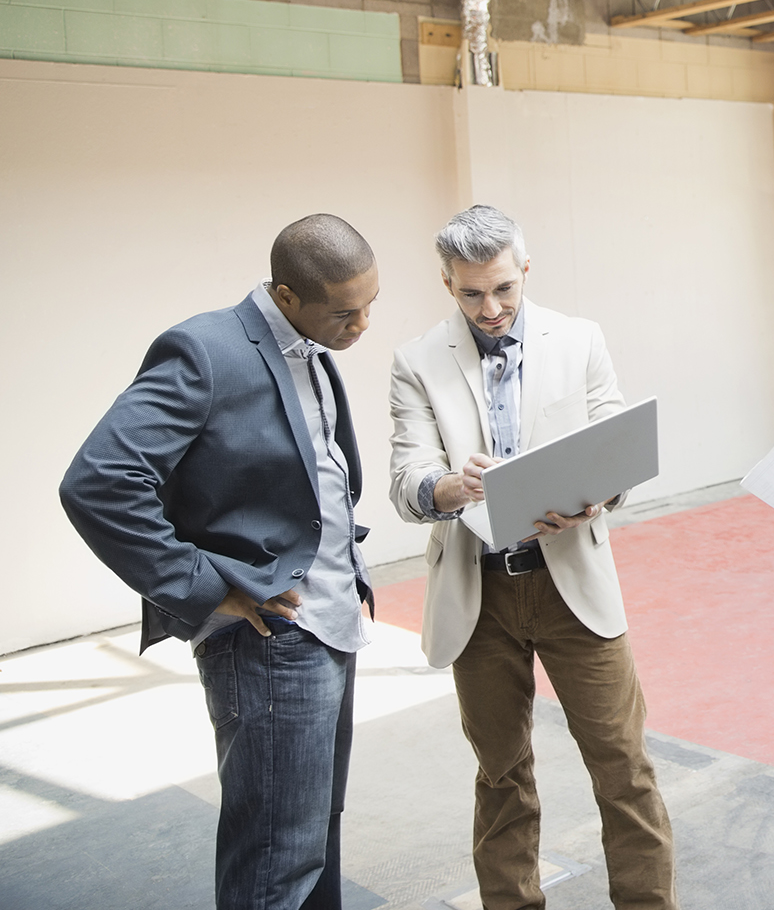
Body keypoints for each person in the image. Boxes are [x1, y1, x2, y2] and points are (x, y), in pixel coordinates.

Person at [58, 215, 381, 910]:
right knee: (275, 860)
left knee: (314, 840)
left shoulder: (310, 346)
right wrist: (206, 587)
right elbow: (99, 481)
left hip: (327, 625)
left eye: (370, 306)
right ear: (287, 296)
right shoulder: (207, 351)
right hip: (269, 642)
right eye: (346, 312)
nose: (362, 326)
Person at [388, 205, 675, 910]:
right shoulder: (416, 360)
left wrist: (597, 497)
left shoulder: (578, 340)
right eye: (470, 293)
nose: (490, 308)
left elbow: (616, 442)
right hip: (478, 595)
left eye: (503, 289)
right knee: (501, 774)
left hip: (569, 579)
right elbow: (406, 482)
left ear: (524, 271)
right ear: (447, 283)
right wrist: (454, 485)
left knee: (624, 767)